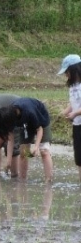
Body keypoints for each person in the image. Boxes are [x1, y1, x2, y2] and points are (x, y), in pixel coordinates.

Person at [0, 97, 53, 182]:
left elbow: (39, 129)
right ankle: (22, 181)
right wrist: (9, 161)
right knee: (23, 152)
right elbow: (11, 138)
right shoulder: (9, 115)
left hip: (41, 121)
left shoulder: (29, 111)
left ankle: (48, 181)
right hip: (26, 125)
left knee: (44, 151)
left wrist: (36, 147)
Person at [58, 54, 81, 182]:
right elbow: (73, 102)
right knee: (79, 159)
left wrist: (75, 114)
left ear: (74, 69)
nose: (66, 74)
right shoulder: (73, 86)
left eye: (67, 71)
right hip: (77, 125)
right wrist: (66, 111)